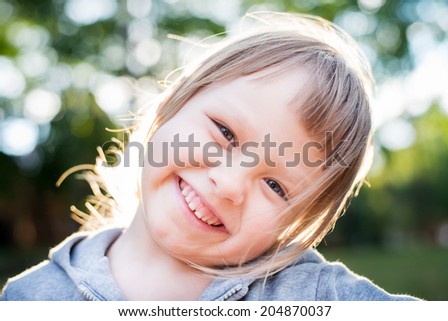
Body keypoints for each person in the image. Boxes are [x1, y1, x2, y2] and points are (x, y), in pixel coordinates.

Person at [1, 11, 418, 301]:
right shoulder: (30, 298)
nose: (230, 184)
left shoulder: (311, 297)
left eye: (275, 186)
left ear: (295, 227)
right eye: (225, 133)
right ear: (171, 105)